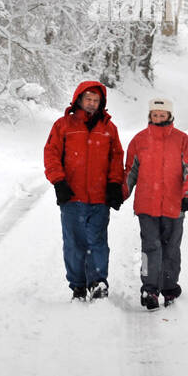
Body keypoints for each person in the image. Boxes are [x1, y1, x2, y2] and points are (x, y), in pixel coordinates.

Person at [44, 80, 125, 301]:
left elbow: (117, 158)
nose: (91, 104)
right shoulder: (63, 125)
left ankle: (98, 283)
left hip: (99, 198)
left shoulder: (109, 129)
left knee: (98, 242)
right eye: (88, 99)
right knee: (74, 243)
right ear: (79, 99)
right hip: (72, 196)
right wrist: (58, 182)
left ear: (102, 103)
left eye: (96, 100)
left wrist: (115, 184)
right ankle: (78, 286)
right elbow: (51, 154)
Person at [123, 96, 188, 310]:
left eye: (162, 115)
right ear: (150, 116)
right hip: (146, 206)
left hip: (174, 206)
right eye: (155, 115)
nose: (158, 118)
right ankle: (149, 289)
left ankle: (169, 287)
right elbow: (130, 172)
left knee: (171, 249)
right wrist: (121, 194)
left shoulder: (181, 140)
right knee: (150, 248)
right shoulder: (139, 140)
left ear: (170, 115)